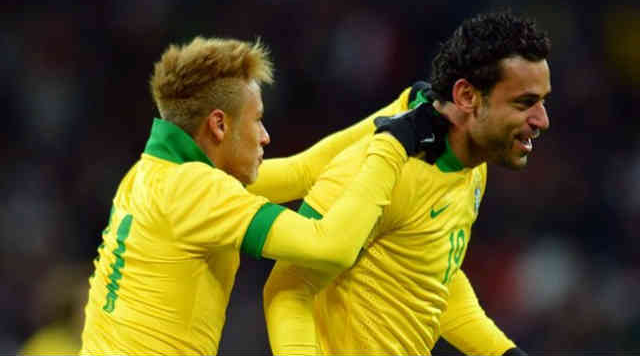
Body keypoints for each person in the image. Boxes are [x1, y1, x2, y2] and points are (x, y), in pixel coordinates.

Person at [79, 36, 437, 355]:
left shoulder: (149, 173)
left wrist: (402, 109)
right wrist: (392, 146)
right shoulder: (197, 191)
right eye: (257, 120)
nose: (265, 136)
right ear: (219, 125)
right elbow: (331, 248)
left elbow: (303, 172)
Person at [263, 11, 551, 356]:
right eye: (525, 103)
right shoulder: (381, 171)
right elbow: (289, 288)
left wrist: (501, 352)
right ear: (467, 97)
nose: (542, 120)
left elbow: (432, 275)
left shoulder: (473, 166)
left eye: (543, 101)